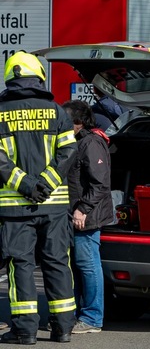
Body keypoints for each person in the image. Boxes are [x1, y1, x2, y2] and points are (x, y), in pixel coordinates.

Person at [0, 52, 77, 344]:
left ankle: (25, 331)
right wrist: (45, 183)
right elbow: (68, 153)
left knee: (19, 265)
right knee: (57, 262)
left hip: (13, 207)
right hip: (54, 205)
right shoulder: (58, 112)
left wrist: (26, 184)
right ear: (39, 77)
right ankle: (63, 329)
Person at [62, 100, 114, 334]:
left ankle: (92, 318)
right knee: (77, 266)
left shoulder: (91, 142)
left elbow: (100, 183)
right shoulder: (77, 141)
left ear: (79, 122)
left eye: (66, 121)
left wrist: (82, 209)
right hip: (75, 214)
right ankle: (76, 315)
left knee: (88, 266)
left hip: (86, 216)